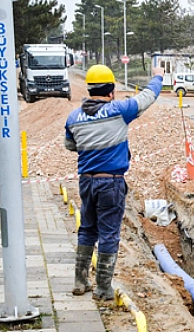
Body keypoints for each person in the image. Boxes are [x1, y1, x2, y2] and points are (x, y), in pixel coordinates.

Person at [65, 64, 165, 300]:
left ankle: (80, 282)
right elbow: (148, 97)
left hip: (86, 182)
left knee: (87, 229)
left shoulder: (74, 117)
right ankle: (102, 288)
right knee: (109, 233)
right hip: (111, 183)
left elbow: (70, 146)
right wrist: (158, 77)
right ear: (111, 90)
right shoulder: (119, 109)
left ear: (90, 89)